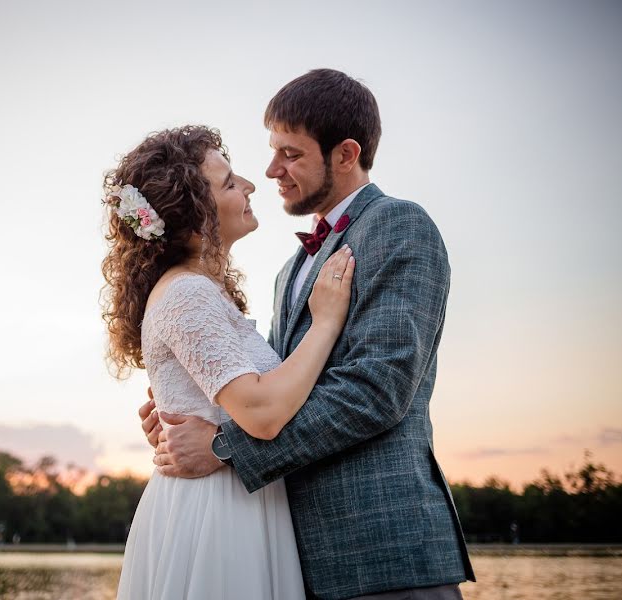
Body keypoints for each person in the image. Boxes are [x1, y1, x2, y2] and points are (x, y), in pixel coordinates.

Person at [139, 69, 476, 599]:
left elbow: (376, 390)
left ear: (345, 154)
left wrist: (224, 447)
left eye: (291, 154)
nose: (271, 170)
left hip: (383, 549)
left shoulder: (399, 225)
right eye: (273, 151)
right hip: (293, 555)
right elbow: (279, 387)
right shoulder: (290, 269)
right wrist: (190, 413)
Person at [101, 125, 357, 599]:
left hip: (235, 501)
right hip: (216, 516)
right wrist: (325, 324)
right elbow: (260, 412)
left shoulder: (201, 293)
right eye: (230, 182)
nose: (250, 185)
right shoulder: (187, 294)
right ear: (197, 219)